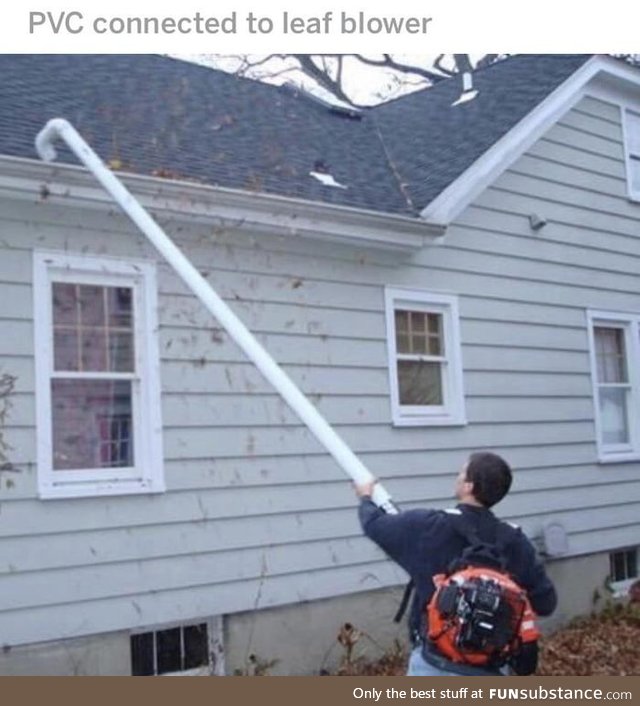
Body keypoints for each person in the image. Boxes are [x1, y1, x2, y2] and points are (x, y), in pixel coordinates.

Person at [355, 452, 557, 676]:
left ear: (469, 486)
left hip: (434, 664)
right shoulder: (515, 541)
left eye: (461, 472)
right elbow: (546, 603)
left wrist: (366, 497)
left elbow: (375, 525)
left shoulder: (429, 526)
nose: (457, 477)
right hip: (490, 667)